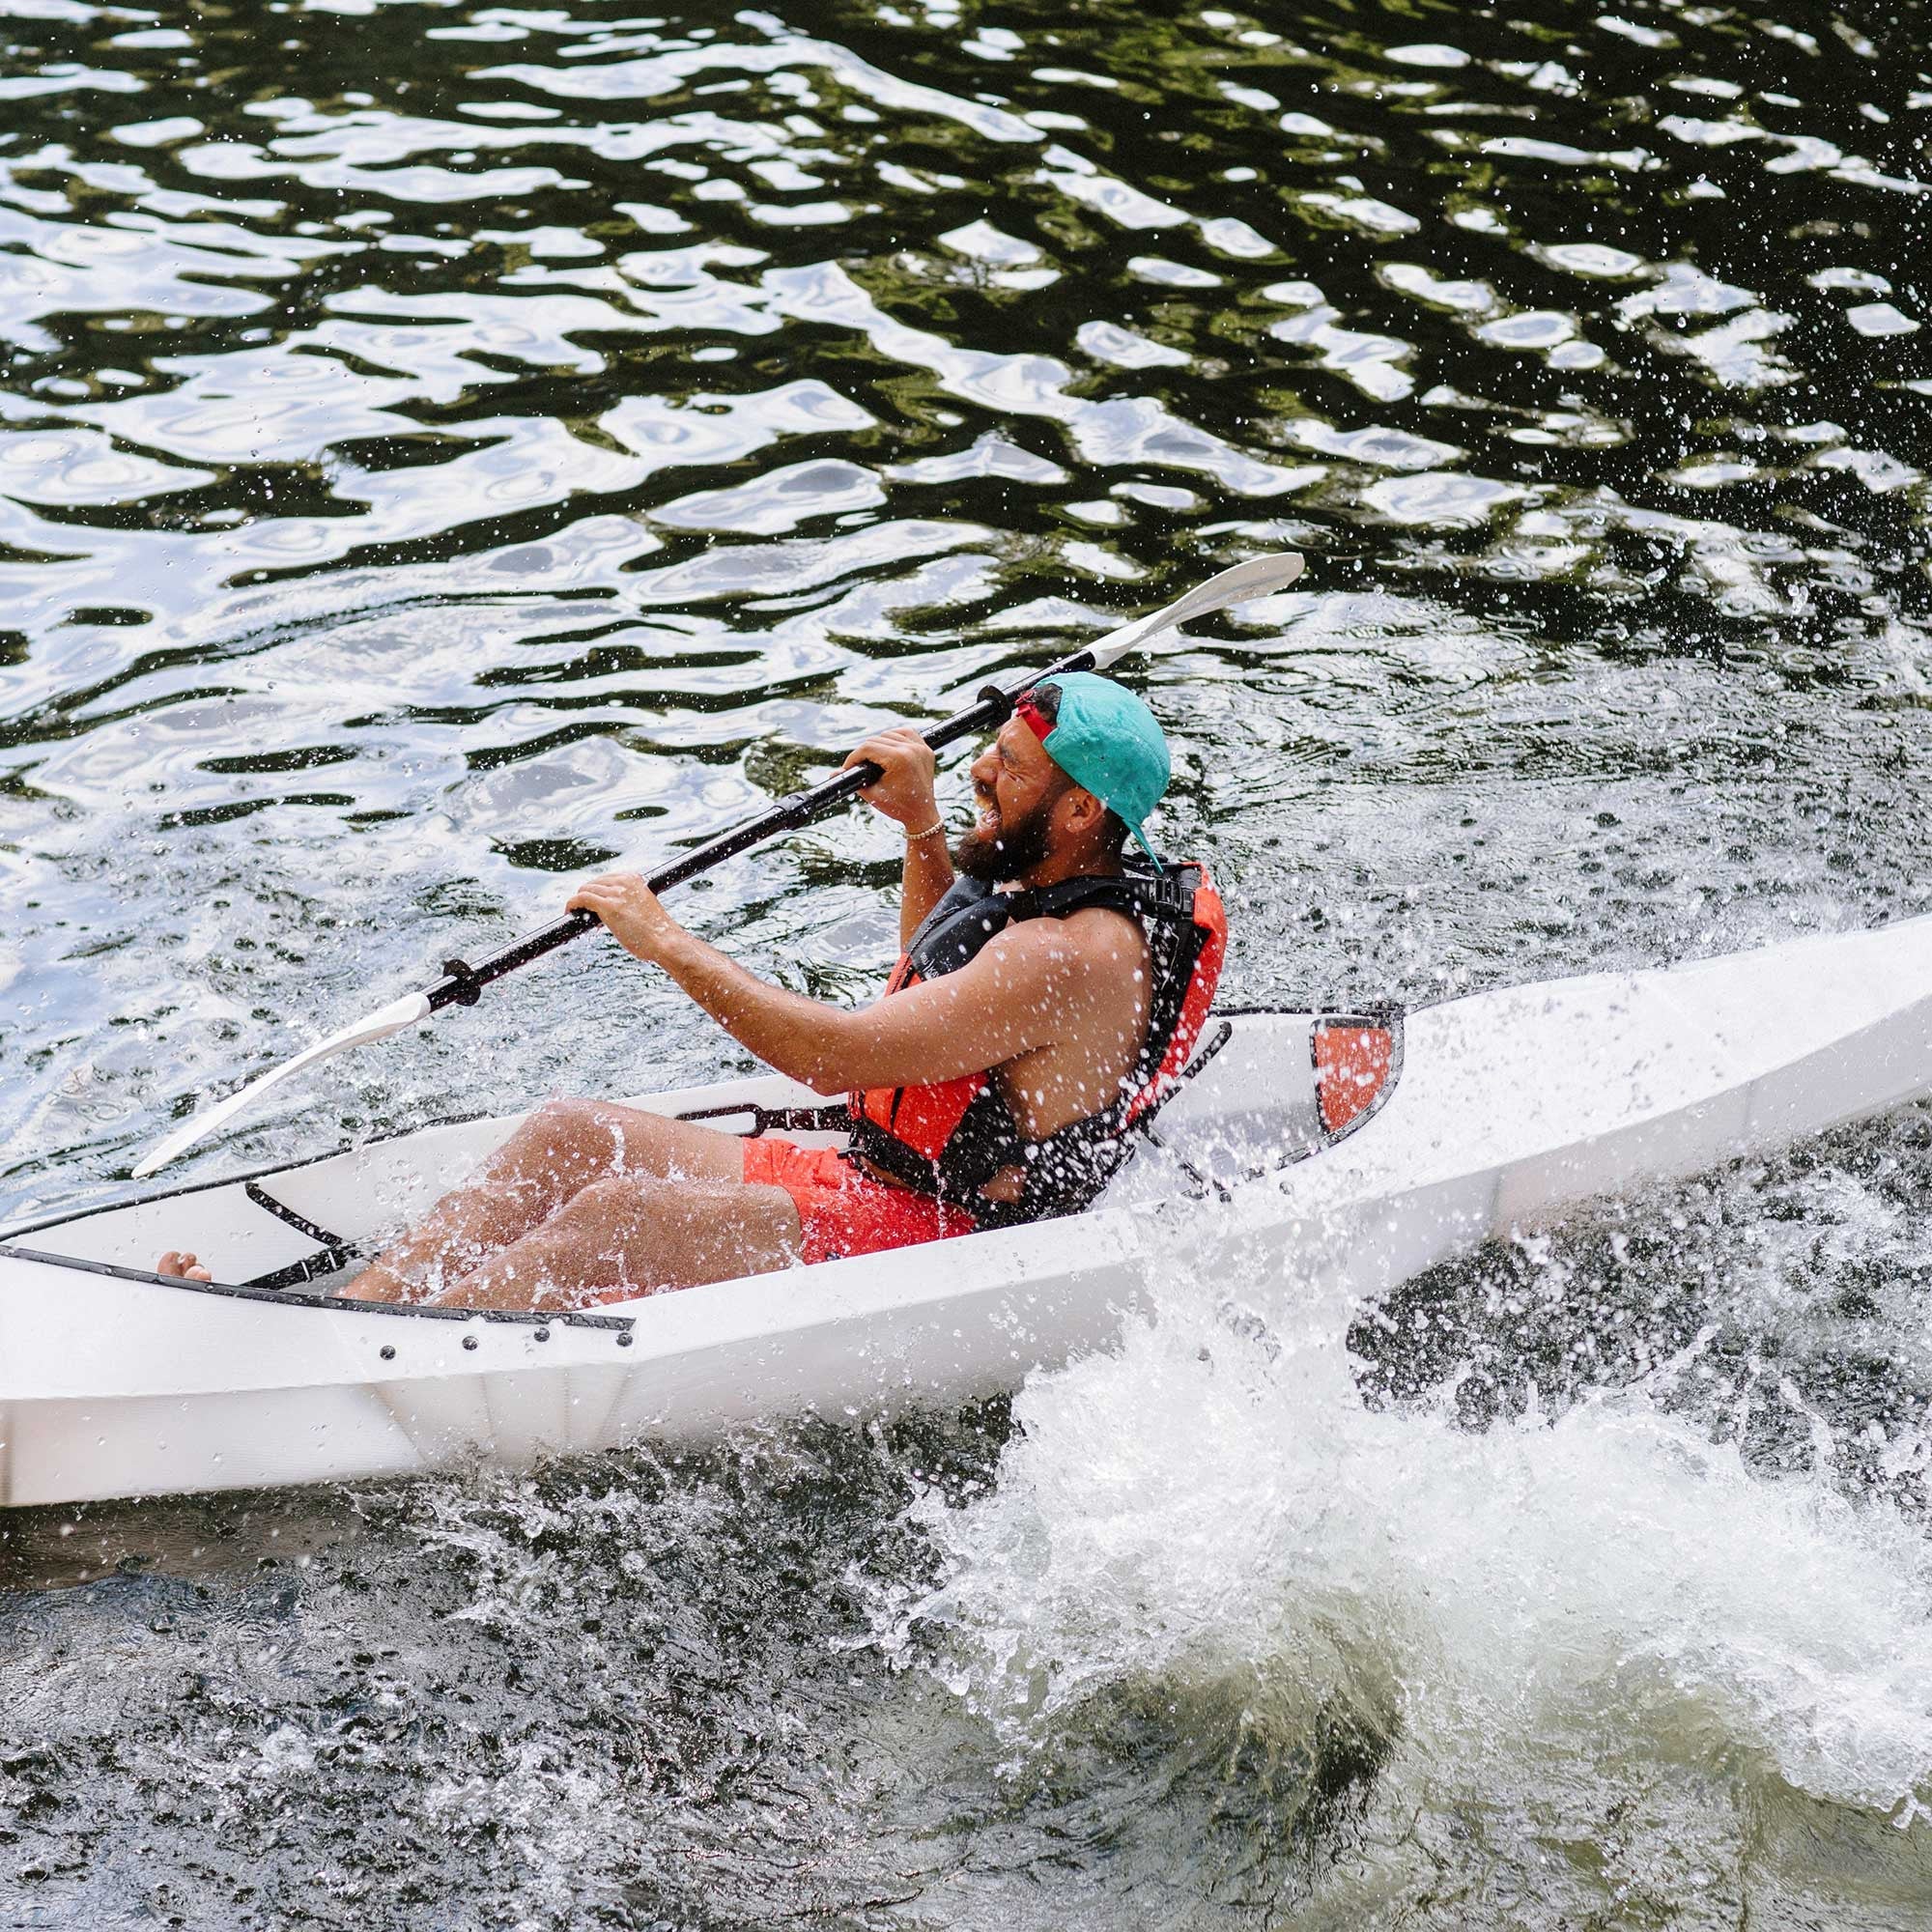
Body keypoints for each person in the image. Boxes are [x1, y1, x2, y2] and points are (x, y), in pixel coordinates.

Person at [157, 674, 1224, 1312]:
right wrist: (917, 824)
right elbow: (935, 980)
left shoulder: (1069, 954)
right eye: (984, 756)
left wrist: (664, 940)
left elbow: (839, 1056)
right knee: (570, 1135)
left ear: (1081, 812)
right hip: (887, 1179)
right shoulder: (1044, 886)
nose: (980, 775)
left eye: (1006, 769)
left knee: (616, 1212)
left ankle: (358, 1374)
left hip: (949, 1232)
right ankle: (358, 1317)